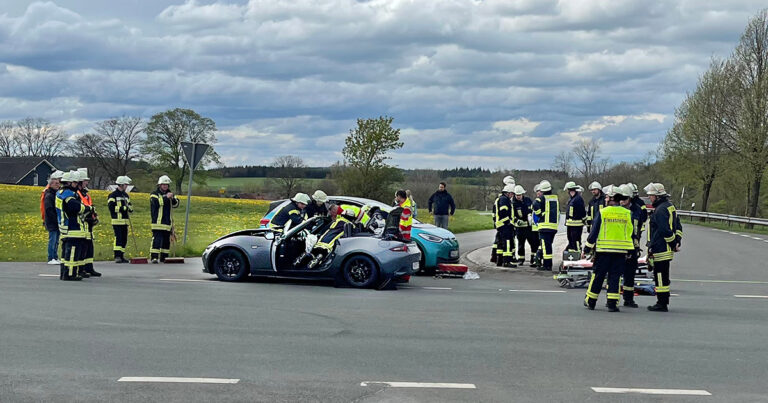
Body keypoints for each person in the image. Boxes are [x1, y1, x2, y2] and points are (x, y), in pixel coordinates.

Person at [582, 185, 634, 312]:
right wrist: (630, 251)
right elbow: (631, 233)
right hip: (621, 252)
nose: (605, 199)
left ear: (611, 198)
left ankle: (591, 301)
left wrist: (587, 249)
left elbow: (594, 233)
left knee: (598, 276)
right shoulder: (628, 213)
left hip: (604, 251)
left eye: (606, 197)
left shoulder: (603, 212)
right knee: (615, 278)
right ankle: (612, 304)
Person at [645, 182, 683, 312]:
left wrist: (672, 244)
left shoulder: (660, 210)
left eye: (651, 195)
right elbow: (678, 226)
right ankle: (663, 300)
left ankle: (661, 303)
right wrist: (677, 241)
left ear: (658, 196)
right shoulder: (670, 207)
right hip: (665, 248)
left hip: (661, 248)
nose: (650, 198)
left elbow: (664, 230)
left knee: (660, 276)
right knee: (663, 275)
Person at [56, 171, 92, 281]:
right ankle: (70, 274)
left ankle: (64, 273)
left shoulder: (61, 192)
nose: (77, 185)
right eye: (75, 183)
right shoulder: (68, 194)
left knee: (65, 255)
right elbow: (74, 207)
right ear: (69, 183)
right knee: (72, 253)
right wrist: (88, 209)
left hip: (66, 227)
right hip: (72, 228)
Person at [619, 184, 643, 308]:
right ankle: (612, 298)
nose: (622, 202)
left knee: (630, 274)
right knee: (615, 274)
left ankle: (628, 299)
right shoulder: (616, 209)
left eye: (625, 199)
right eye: (621, 199)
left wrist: (636, 245)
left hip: (632, 246)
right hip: (618, 246)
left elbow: (638, 228)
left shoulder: (637, 209)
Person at [150, 175, 180, 263]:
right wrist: (166, 197)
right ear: (159, 185)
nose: (165, 186)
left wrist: (173, 198)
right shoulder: (154, 194)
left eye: (166, 185)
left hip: (167, 223)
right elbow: (156, 203)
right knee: (157, 240)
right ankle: (154, 257)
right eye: (163, 184)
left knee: (166, 241)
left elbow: (176, 204)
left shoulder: (170, 194)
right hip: (158, 222)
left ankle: (164, 257)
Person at [76, 168, 100, 277]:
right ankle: (81, 269)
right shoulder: (77, 193)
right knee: (83, 247)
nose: (87, 182)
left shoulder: (86, 193)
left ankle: (89, 267)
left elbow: (90, 206)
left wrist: (94, 216)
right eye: (85, 180)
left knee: (89, 247)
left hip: (89, 224)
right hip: (83, 223)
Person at [533, 180, 559, 271]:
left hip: (545, 226)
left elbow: (535, 204)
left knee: (545, 246)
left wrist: (539, 214)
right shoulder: (555, 198)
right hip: (553, 227)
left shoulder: (542, 198)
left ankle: (547, 265)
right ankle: (548, 264)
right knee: (548, 245)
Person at [108, 176, 133, 263]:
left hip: (125, 221)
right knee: (118, 238)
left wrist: (130, 208)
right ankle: (117, 256)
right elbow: (111, 207)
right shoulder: (113, 195)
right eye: (126, 184)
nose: (127, 186)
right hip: (117, 221)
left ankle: (122, 255)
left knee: (124, 239)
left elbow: (130, 205)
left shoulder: (126, 195)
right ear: (121, 184)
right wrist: (123, 208)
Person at [512, 185, 538, 266]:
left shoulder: (528, 200)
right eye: (517, 195)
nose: (518, 197)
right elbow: (512, 215)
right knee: (521, 244)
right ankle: (521, 259)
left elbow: (531, 209)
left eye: (519, 195)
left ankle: (533, 258)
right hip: (520, 228)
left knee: (534, 243)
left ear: (522, 194)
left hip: (529, 227)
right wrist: (516, 220)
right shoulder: (513, 203)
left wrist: (530, 215)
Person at [43, 170, 64, 265]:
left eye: (58, 183)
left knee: (56, 241)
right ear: (50, 184)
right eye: (55, 183)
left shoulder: (55, 194)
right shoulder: (49, 195)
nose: (58, 185)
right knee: (53, 239)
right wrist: (55, 219)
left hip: (56, 220)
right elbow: (49, 209)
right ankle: (51, 257)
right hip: (52, 221)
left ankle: (55, 257)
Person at [494, 184, 516, 267]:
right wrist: (508, 222)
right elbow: (503, 211)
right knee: (507, 242)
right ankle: (507, 262)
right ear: (508, 193)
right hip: (504, 225)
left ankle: (499, 261)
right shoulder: (504, 200)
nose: (512, 196)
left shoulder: (502, 199)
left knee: (500, 243)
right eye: (512, 194)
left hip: (501, 225)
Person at [563, 181, 586, 253]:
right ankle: (572, 254)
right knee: (571, 240)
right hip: (570, 224)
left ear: (570, 190)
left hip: (576, 225)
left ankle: (577, 253)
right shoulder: (572, 199)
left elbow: (582, 212)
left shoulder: (578, 199)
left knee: (575, 240)